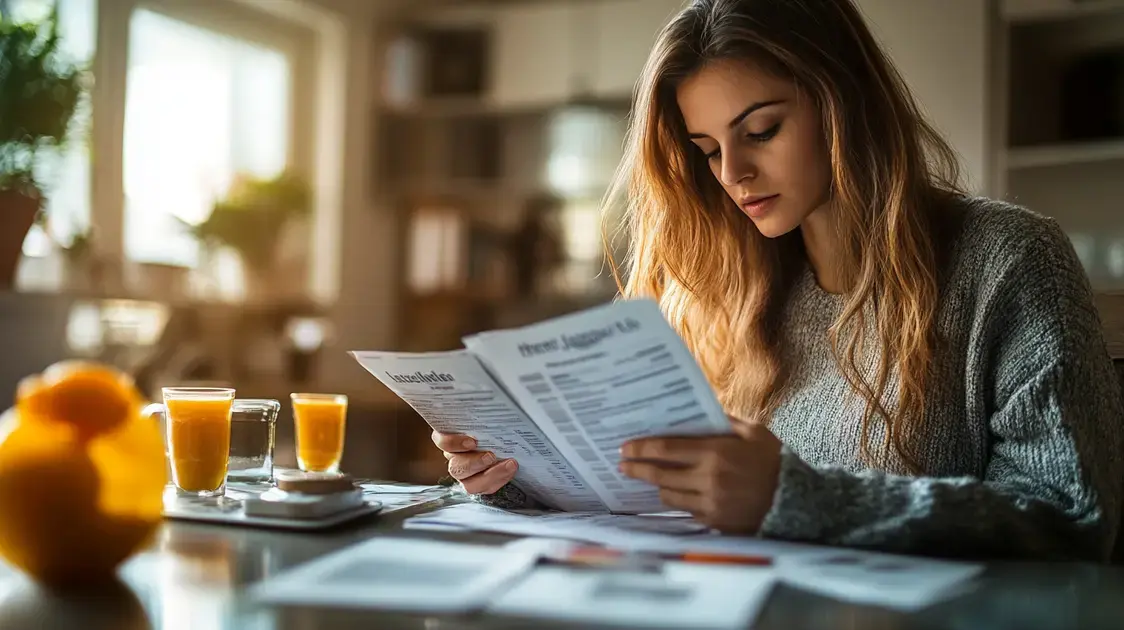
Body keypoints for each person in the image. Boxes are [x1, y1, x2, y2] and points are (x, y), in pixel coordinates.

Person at [430, 0, 1124, 562]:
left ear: (843, 101)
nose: (732, 173)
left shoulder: (1008, 259)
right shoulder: (716, 294)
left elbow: (1071, 516)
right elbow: (646, 497)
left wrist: (795, 497)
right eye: (708, 151)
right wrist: (518, 477)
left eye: (760, 130)